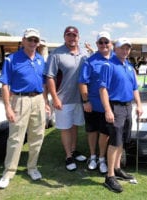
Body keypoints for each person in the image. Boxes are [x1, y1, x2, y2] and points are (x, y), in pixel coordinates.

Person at [0, 28, 50, 189]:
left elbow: (44, 83)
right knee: (16, 137)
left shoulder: (41, 59)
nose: (33, 43)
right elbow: (5, 84)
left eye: (35, 40)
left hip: (38, 99)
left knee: (37, 136)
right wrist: (7, 107)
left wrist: (46, 102)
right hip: (20, 100)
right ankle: (9, 171)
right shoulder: (12, 59)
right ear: (23, 40)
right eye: (30, 40)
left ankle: (32, 167)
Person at [99, 38, 143, 193]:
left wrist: (139, 104)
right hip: (115, 107)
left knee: (122, 140)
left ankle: (117, 169)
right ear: (115, 49)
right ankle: (109, 176)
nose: (125, 51)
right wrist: (108, 110)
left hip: (127, 107)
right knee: (114, 141)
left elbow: (134, 88)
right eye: (122, 48)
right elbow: (103, 90)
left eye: (127, 48)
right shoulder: (108, 65)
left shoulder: (129, 67)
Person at [44, 26, 88, 171]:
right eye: (68, 35)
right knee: (65, 128)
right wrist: (54, 98)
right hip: (63, 99)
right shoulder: (56, 54)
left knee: (75, 126)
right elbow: (50, 77)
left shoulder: (84, 53)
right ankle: (68, 156)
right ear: (64, 37)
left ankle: (74, 150)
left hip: (79, 99)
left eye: (74, 35)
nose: (71, 38)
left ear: (78, 37)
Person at [78, 31, 114, 173]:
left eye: (106, 42)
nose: (104, 45)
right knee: (92, 131)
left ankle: (102, 158)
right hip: (93, 103)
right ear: (97, 44)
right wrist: (86, 101)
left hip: (110, 105)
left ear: (110, 44)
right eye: (101, 42)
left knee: (105, 133)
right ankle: (93, 156)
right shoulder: (90, 61)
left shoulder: (117, 59)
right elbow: (82, 82)